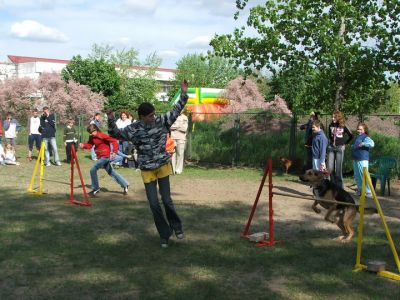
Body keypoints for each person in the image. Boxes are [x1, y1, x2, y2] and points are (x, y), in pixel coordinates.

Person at [107, 79, 189, 248]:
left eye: (154, 114)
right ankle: (164, 234)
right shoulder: (134, 129)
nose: (153, 117)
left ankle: (177, 227)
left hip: (163, 166)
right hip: (147, 170)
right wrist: (110, 118)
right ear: (142, 116)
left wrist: (183, 92)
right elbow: (115, 133)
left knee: (167, 200)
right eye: (150, 115)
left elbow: (177, 109)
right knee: (153, 204)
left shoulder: (161, 121)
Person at [79, 124, 129, 196]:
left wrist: (114, 152)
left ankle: (95, 188)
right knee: (111, 172)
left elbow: (114, 141)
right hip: (100, 157)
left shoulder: (102, 135)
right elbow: (90, 145)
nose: (91, 134)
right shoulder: (92, 137)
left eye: (92, 132)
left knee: (93, 169)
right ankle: (125, 184)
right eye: (90, 133)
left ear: (95, 130)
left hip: (105, 156)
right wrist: (83, 145)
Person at [326, 111, 353, 188]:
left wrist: (345, 143)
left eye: (334, 117)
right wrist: (332, 142)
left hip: (339, 148)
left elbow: (351, 136)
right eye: (332, 117)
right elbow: (330, 136)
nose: (333, 118)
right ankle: (332, 185)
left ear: (339, 117)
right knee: (330, 168)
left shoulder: (343, 126)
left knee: (338, 169)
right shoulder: (330, 125)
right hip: (331, 148)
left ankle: (340, 187)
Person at [351, 122, 374, 197]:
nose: (359, 131)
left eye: (361, 129)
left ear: (364, 130)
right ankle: (360, 190)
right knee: (357, 175)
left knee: (363, 175)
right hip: (356, 159)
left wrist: (364, 143)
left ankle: (368, 191)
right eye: (358, 129)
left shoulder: (365, 137)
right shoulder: (358, 137)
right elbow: (357, 145)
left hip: (363, 159)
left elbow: (372, 144)